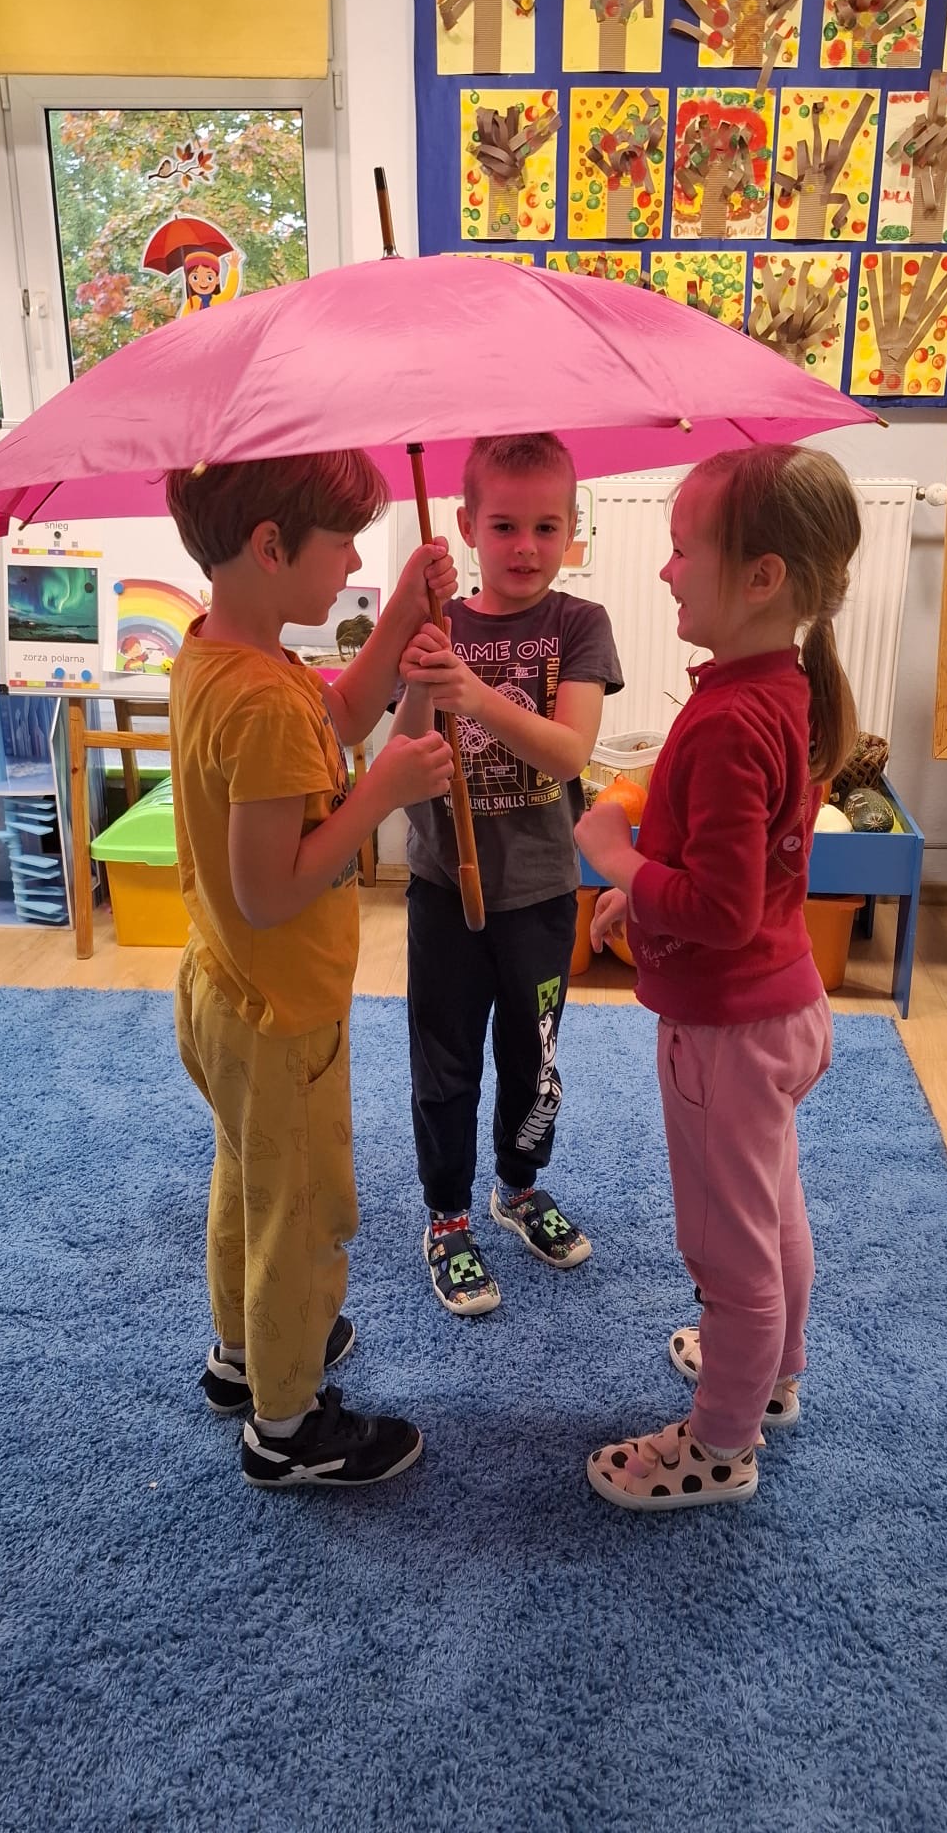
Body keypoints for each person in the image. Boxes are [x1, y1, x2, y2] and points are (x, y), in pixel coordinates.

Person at [575, 444, 862, 1511]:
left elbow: (720, 909)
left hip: (728, 1034)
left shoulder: (732, 719)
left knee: (725, 1248)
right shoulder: (776, 689)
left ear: (761, 577)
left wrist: (615, 859)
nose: (665, 571)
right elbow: (733, 873)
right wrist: (643, 897)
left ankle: (721, 1446)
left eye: (681, 550)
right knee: (773, 1208)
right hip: (781, 1005)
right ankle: (772, 1371)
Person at [166, 450, 455, 1490]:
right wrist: (381, 795)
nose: (353, 567)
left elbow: (331, 723)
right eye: (342, 547)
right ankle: (286, 1425)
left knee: (250, 1181)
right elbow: (271, 890)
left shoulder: (225, 656)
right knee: (303, 1215)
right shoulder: (262, 702)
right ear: (271, 547)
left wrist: (398, 619)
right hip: (281, 1011)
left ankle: (245, 1353)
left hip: (225, 990)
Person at [393, 433, 623, 1315]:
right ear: (465, 527)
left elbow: (568, 750)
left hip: (538, 891)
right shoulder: (435, 623)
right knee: (444, 1063)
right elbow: (402, 748)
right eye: (503, 526)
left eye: (546, 527)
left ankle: (518, 1186)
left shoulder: (579, 625)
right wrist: (426, 676)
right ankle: (447, 1214)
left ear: (572, 529)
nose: (526, 547)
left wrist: (475, 694)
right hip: (443, 889)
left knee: (535, 1061)